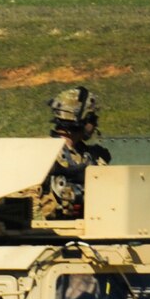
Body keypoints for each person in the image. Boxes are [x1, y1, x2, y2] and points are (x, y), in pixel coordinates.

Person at [37, 86, 110, 220]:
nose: (94, 124)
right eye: (92, 119)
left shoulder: (90, 156)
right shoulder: (42, 152)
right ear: (81, 119)